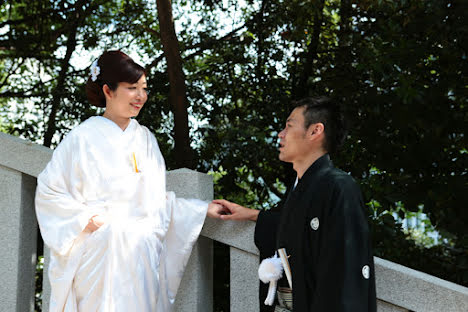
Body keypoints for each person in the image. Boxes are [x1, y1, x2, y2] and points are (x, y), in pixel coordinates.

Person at [35, 50, 223, 312]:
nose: (141, 96)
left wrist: (200, 210)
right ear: (108, 91)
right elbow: (49, 192)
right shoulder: (81, 138)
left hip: (138, 258)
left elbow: (155, 204)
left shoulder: (145, 140)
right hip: (100, 254)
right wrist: (84, 219)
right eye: (132, 88)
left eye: (144, 88)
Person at [213, 97, 377, 311]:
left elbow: (345, 271)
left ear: (315, 131)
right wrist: (253, 215)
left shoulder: (340, 187)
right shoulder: (302, 187)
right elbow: (298, 228)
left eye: (289, 126)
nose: (281, 134)